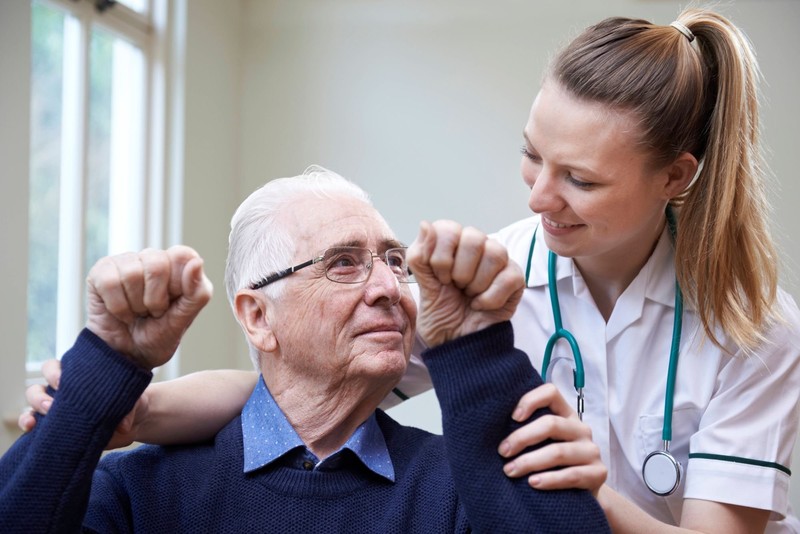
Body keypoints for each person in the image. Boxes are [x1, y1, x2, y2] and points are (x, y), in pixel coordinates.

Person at [20, 5, 800, 532]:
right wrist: (121, 406)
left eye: (582, 180)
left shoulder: (755, 328)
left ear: (676, 177)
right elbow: (295, 383)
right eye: (531, 156)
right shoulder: (496, 276)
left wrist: (589, 487)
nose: (539, 196)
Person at [0, 168, 610, 533]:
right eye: (344, 264)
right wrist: (108, 363)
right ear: (259, 318)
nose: (387, 290)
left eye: (395, 263)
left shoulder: (457, 485)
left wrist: (476, 348)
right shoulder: (139, 490)